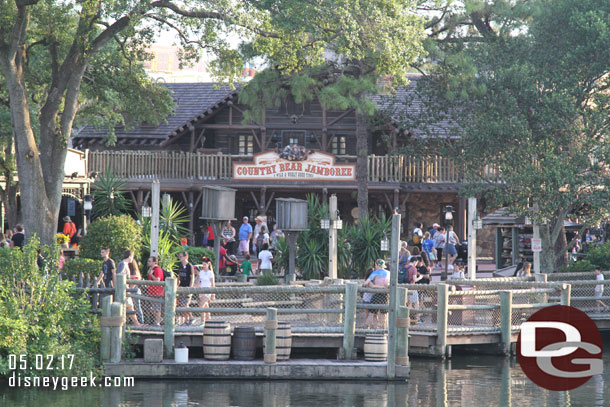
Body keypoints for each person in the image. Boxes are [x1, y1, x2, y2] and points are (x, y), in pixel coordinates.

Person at [365, 259, 390, 329]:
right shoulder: (388, 273)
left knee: (371, 312)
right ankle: (384, 329)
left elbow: (366, 283)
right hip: (385, 295)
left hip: (377, 294)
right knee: (384, 313)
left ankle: (366, 327)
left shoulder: (375, 273)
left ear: (377, 265)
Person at [117, 250, 140, 327]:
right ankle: (136, 323)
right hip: (124, 289)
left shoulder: (123, 263)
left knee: (128, 307)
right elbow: (120, 275)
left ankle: (134, 323)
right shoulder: (123, 264)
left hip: (125, 289)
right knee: (130, 306)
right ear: (130, 257)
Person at [176, 251, 195, 325]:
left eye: (181, 256)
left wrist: (190, 288)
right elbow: (179, 277)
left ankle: (191, 317)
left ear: (186, 257)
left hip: (187, 288)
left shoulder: (189, 266)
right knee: (182, 304)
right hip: (181, 287)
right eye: (179, 257)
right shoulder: (180, 266)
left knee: (185, 304)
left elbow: (192, 277)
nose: (180, 258)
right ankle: (186, 320)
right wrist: (177, 285)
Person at [195, 257, 215, 324]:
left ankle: (202, 321)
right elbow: (199, 282)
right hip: (201, 290)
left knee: (202, 305)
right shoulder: (201, 272)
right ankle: (208, 318)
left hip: (207, 291)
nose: (203, 266)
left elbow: (212, 284)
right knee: (205, 305)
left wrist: (213, 294)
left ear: (208, 265)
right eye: (203, 264)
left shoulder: (210, 273)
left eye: (205, 264)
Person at [147, 256, 165, 326]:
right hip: (151, 292)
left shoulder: (157, 269)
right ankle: (158, 319)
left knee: (157, 308)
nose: (148, 262)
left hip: (157, 292)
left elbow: (158, 280)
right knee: (151, 308)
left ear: (154, 262)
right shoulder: (151, 269)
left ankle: (157, 322)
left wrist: (151, 274)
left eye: (150, 261)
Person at [129, 258, 144, 324]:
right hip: (131, 291)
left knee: (137, 307)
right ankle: (134, 321)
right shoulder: (130, 272)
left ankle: (141, 321)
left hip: (135, 291)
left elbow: (136, 280)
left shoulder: (135, 272)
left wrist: (130, 289)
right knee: (131, 307)